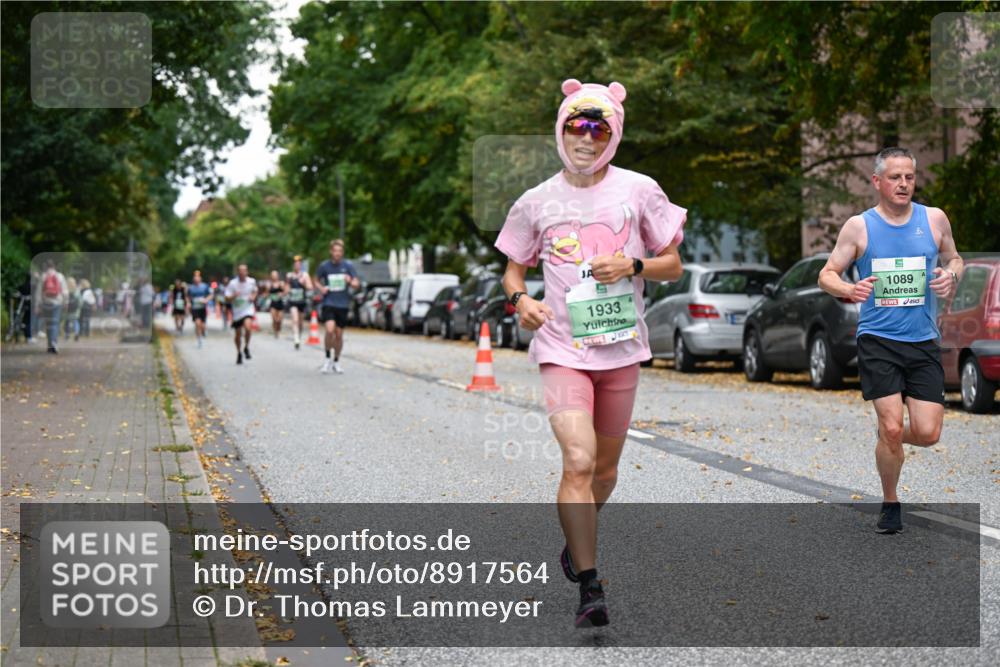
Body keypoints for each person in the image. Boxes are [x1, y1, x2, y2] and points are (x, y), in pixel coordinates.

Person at [495, 79, 685, 627]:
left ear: (613, 134)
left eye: (598, 127)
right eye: (576, 125)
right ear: (561, 129)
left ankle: (576, 544)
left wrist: (635, 265)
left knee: (604, 473)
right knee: (577, 460)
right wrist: (520, 300)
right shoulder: (536, 200)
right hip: (562, 348)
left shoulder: (640, 189)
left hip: (621, 348)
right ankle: (591, 584)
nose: (586, 137)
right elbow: (513, 268)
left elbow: (672, 263)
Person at [818, 147, 962, 534]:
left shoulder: (933, 219)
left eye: (909, 177)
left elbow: (955, 259)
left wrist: (951, 275)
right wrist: (848, 289)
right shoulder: (859, 227)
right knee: (894, 427)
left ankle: (888, 435)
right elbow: (826, 274)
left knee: (928, 433)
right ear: (877, 182)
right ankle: (891, 501)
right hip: (878, 340)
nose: (903, 184)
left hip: (922, 340)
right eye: (895, 177)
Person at [314, 239, 360, 373]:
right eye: (335, 251)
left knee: (339, 335)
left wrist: (350, 281)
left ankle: (336, 361)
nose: (338, 253)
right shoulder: (324, 266)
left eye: (340, 251)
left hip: (343, 304)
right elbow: (315, 280)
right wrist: (321, 288)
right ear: (331, 252)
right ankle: (327, 358)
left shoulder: (348, 266)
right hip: (329, 302)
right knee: (329, 330)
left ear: (342, 252)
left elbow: (356, 283)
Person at [224, 264, 258, 365]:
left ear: (247, 272)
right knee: (238, 334)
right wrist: (234, 296)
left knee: (248, 327)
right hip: (237, 311)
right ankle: (239, 352)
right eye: (240, 271)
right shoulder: (232, 283)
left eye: (244, 271)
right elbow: (226, 298)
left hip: (248, 309)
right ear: (238, 272)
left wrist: (253, 297)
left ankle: (246, 347)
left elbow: (255, 291)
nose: (242, 272)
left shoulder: (251, 281)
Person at [39, 259, 68, 353]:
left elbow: (38, 292)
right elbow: (64, 291)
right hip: (57, 302)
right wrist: (66, 302)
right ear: (54, 266)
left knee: (48, 324)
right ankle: (54, 343)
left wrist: (37, 304)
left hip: (45, 302)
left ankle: (49, 345)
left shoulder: (43, 276)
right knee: (55, 323)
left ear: (46, 266)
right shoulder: (60, 276)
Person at [286, 255, 313, 349]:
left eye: (298, 264)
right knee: (295, 319)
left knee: (300, 322)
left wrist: (304, 283)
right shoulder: (289, 276)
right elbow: (286, 287)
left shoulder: (305, 275)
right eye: (295, 264)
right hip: (292, 300)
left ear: (300, 265)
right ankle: (296, 338)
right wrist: (287, 290)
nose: (297, 266)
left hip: (301, 301)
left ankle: (299, 336)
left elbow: (310, 287)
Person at [187, 270, 212, 348]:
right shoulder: (191, 288)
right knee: (197, 323)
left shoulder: (205, 286)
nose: (196, 281)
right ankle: (199, 339)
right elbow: (188, 297)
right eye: (195, 279)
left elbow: (211, 295)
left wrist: (206, 300)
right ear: (193, 280)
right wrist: (188, 303)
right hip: (195, 308)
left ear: (200, 279)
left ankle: (203, 331)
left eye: (198, 279)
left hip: (202, 308)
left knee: (203, 325)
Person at [266, 270, 287, 339]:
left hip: (280, 303)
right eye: (273, 275)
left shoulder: (281, 283)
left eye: (275, 275)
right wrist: (268, 294)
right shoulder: (269, 284)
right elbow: (266, 294)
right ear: (271, 276)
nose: (274, 276)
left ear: (277, 276)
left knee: (279, 320)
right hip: (273, 303)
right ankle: (275, 331)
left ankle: (278, 329)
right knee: (274, 319)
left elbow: (286, 291)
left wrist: (282, 294)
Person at [63, 277, 82, 341]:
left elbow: (63, 299)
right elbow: (80, 300)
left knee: (67, 322)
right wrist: (79, 307)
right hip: (75, 309)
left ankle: (67, 334)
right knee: (76, 322)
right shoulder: (77, 290)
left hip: (67, 309)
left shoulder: (65, 289)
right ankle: (76, 333)